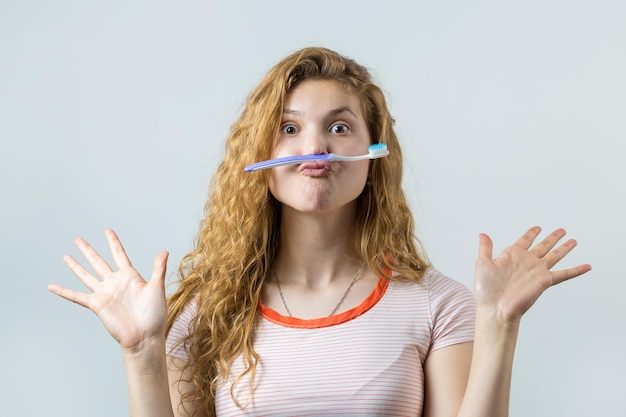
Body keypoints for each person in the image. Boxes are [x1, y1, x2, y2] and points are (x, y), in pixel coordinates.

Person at [48, 47, 591, 417]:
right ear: (260, 154)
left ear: (374, 154)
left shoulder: (436, 303)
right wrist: (143, 352)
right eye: (289, 128)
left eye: (339, 126)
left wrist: (498, 324)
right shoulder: (204, 310)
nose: (316, 146)